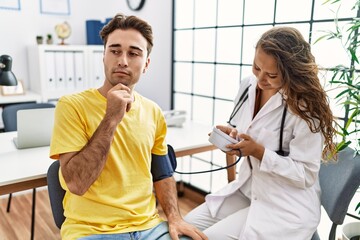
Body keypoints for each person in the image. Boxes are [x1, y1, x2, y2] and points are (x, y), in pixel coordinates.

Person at [50, 13, 207, 240]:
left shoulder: (153, 111)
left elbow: (162, 174)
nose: (123, 60)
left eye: (133, 53)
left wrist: (174, 217)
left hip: (148, 226)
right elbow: (76, 183)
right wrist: (111, 118)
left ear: (146, 64)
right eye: (115, 51)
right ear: (103, 56)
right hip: (91, 230)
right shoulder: (71, 106)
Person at [183, 26, 336, 239]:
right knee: (188, 226)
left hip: (285, 204)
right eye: (257, 67)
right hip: (249, 188)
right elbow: (251, 127)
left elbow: (306, 175)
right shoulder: (248, 86)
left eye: (272, 75)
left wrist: (259, 152)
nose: (261, 80)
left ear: (292, 73)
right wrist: (234, 134)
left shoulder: (306, 108)